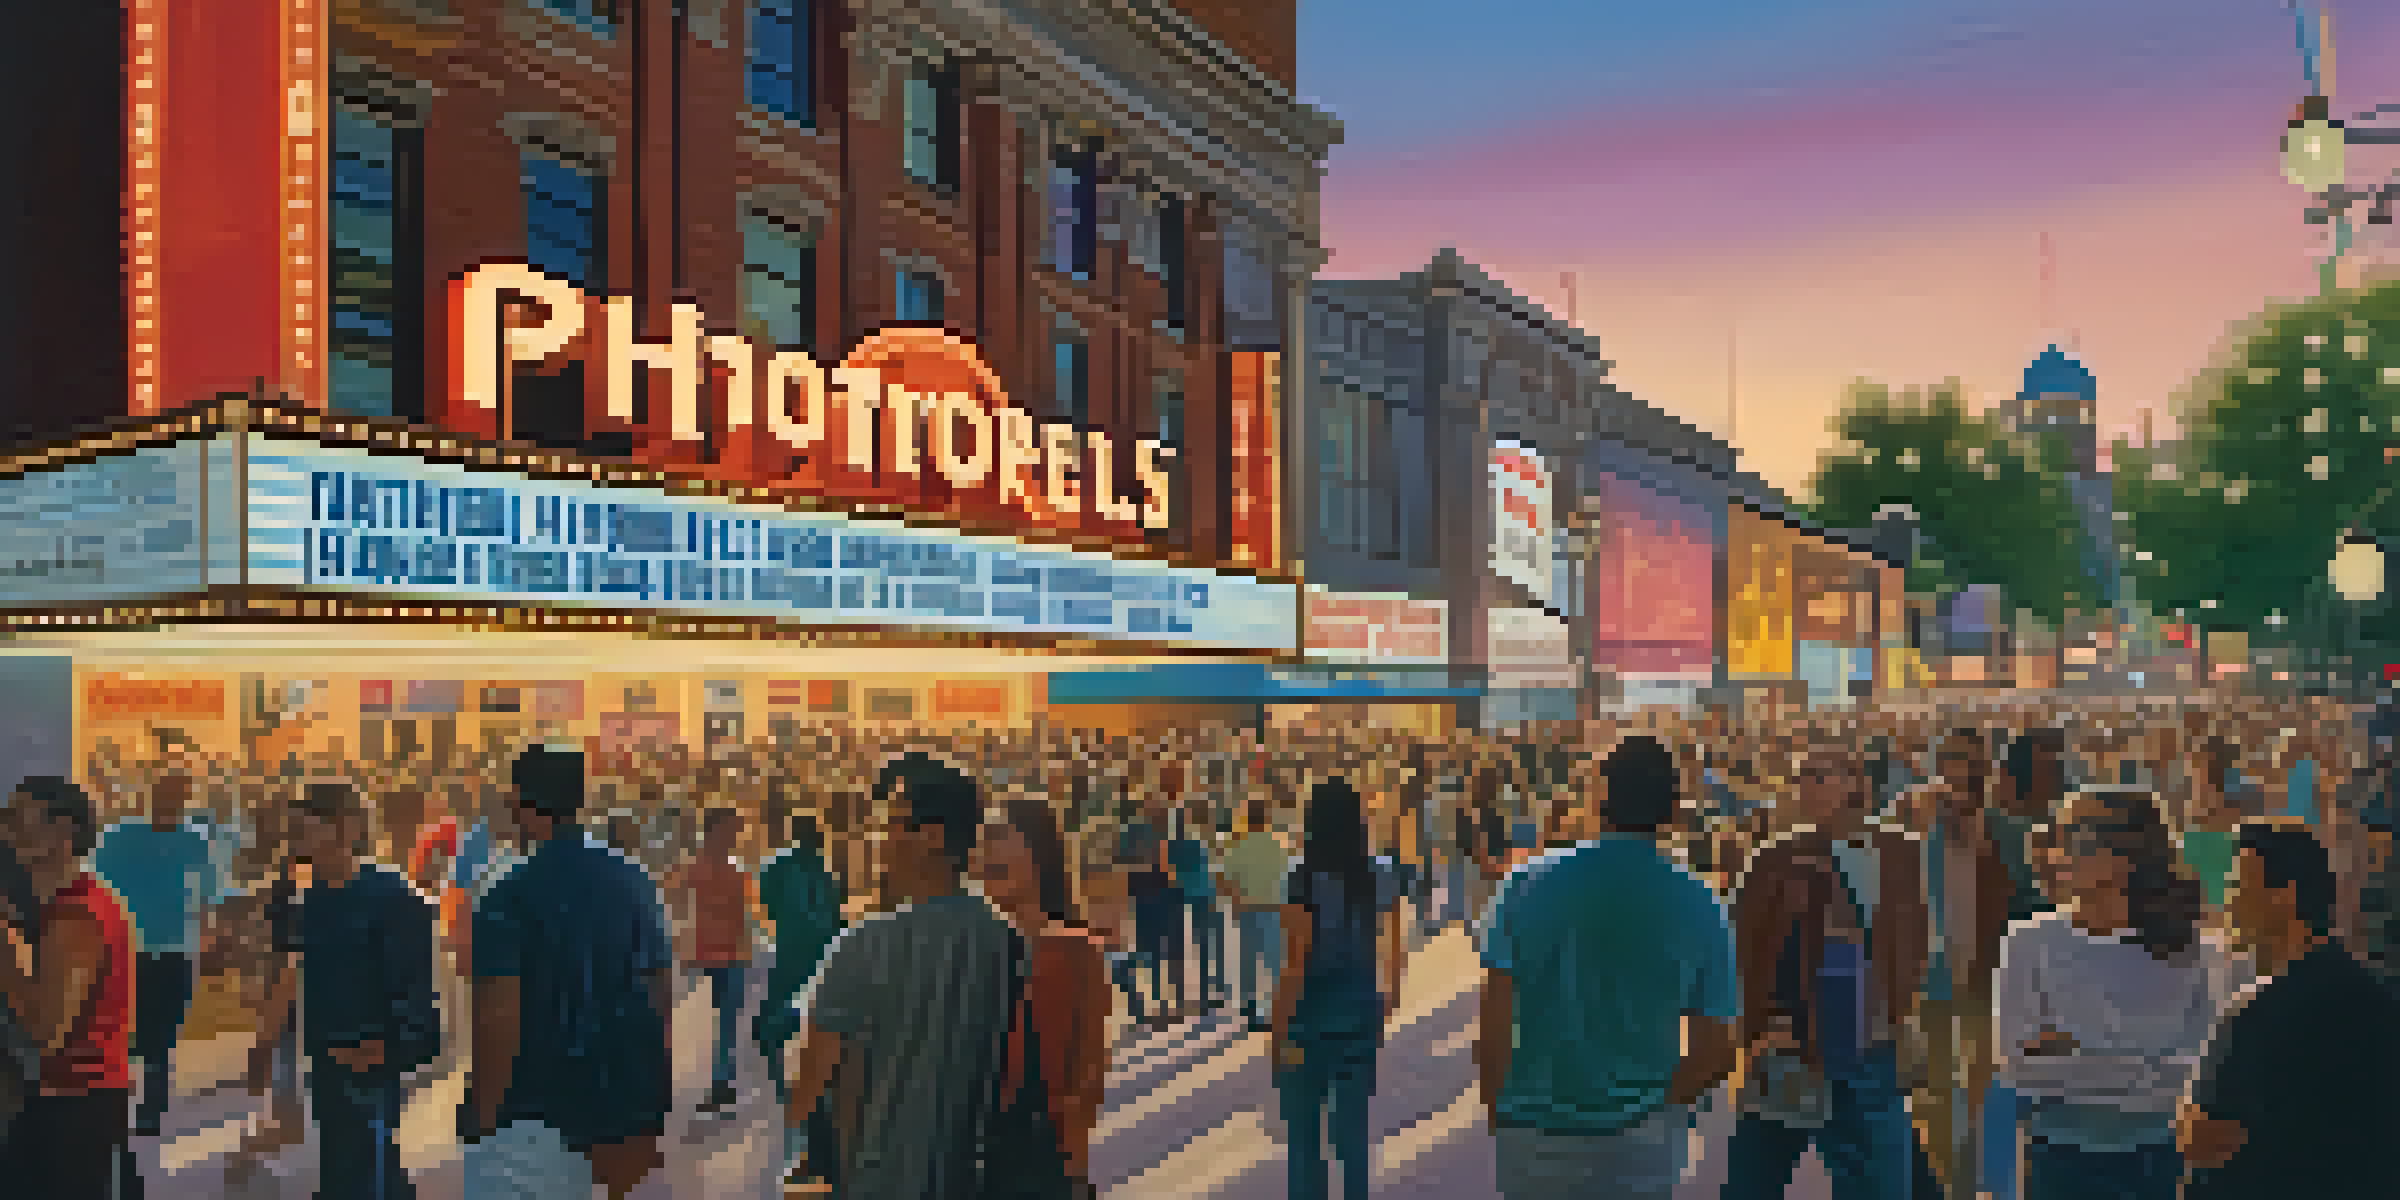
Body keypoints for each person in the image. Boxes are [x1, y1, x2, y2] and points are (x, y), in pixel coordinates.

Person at [779, 752, 1020, 1200]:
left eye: (890, 821)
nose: (878, 836)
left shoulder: (864, 943)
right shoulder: (1006, 939)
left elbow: (805, 1084)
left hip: (878, 1178)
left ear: (930, 836)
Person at [1992, 786, 2232, 1200]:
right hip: (2058, 1161)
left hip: (2160, 1161)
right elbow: (2020, 1070)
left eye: (2070, 837)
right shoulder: (2027, 941)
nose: (2052, 852)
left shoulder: (2200, 951)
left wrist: (2072, 1047)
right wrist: (2144, 1058)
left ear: (2123, 858)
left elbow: (2200, 1075)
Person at [466, 744, 675, 1199]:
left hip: (534, 1119)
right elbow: (660, 998)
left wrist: (481, 1121)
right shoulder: (634, 880)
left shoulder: (506, 893)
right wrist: (655, 1104)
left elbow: (498, 1017)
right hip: (624, 1115)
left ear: (521, 804)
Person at [1720, 745, 1923, 1200]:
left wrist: (1905, 1018)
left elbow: (1920, 942)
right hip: (1791, 1047)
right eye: (1800, 777)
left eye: (1818, 775)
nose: (1805, 787)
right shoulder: (1773, 860)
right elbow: (1741, 950)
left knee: (1883, 1183)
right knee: (1754, 1178)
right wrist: (1757, 1029)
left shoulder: (1900, 853)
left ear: (1856, 783)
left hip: (1873, 1049)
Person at [2178, 823, 2400, 1197]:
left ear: (2285, 895)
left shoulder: (2259, 1013)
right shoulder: (2377, 997)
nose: (2226, 902)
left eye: (2236, 886)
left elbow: (2203, 1139)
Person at [254, 779, 443, 1199]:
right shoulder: (303, 898)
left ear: (346, 828)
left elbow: (417, 992)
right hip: (323, 1061)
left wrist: (387, 1049)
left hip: (371, 1065)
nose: (297, 839)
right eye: (294, 828)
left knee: (367, 1171)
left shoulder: (393, 899)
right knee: (344, 1169)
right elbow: (287, 969)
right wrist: (265, 1048)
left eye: (306, 828)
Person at [0, 777, 136, 1194]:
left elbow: (46, 1034)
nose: (6, 831)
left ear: (63, 833)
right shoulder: (72, 905)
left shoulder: (79, 915)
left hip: (74, 1102)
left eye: (18, 819)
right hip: (71, 1100)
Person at [1273, 777, 1404, 1200]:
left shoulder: (1299, 876)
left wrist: (1277, 1030)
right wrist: (1389, 994)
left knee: (1305, 1141)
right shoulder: (1379, 873)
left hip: (1307, 1020)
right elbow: (1392, 942)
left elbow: (1295, 962)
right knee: (1352, 1139)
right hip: (1361, 1011)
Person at [978, 794, 1114, 1200]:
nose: (988, 849)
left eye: (1001, 835)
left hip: (1040, 1163)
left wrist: (1072, 1167)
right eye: (983, 839)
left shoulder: (1075, 950)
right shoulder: (958, 949)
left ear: (1038, 851)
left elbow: (1089, 1074)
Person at [88, 771, 223, 1136]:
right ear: (149, 794)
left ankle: (149, 1115)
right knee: (118, 1033)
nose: (171, 800)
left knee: (161, 1039)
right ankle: (113, 1110)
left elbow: (209, 895)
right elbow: (93, 886)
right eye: (165, 792)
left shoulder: (196, 840)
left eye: (179, 793)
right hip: (124, 952)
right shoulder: (118, 838)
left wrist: (207, 941)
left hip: (177, 952)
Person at [755, 805, 848, 1189]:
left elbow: (768, 905)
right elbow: (834, 916)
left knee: (778, 1033)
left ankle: (797, 1111)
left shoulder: (779, 866)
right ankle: (815, 1135)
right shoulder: (823, 872)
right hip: (821, 964)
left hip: (790, 961)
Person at [670, 806, 763, 1114]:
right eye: (728, 830)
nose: (733, 837)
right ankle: (696, 1083)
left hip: (731, 958)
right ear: (711, 832)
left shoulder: (737, 873)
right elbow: (671, 905)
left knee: (725, 1026)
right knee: (697, 1025)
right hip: (698, 957)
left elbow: (746, 917)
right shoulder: (692, 869)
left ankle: (722, 1084)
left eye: (734, 831)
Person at [1221, 795, 1293, 1031]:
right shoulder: (1279, 845)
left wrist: (1234, 903)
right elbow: (1290, 878)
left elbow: (1225, 881)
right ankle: (1278, 1010)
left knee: (1249, 963)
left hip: (1248, 909)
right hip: (1275, 910)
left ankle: (1251, 1012)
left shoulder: (1238, 848)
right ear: (1267, 818)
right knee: (1275, 963)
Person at [1169, 804, 1226, 1012]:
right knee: (1207, 947)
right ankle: (1206, 995)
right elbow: (1207, 871)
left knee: (1180, 948)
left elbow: (1171, 874)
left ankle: (1181, 996)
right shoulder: (1196, 844)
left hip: (1180, 897)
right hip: (1203, 897)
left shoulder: (1171, 848)